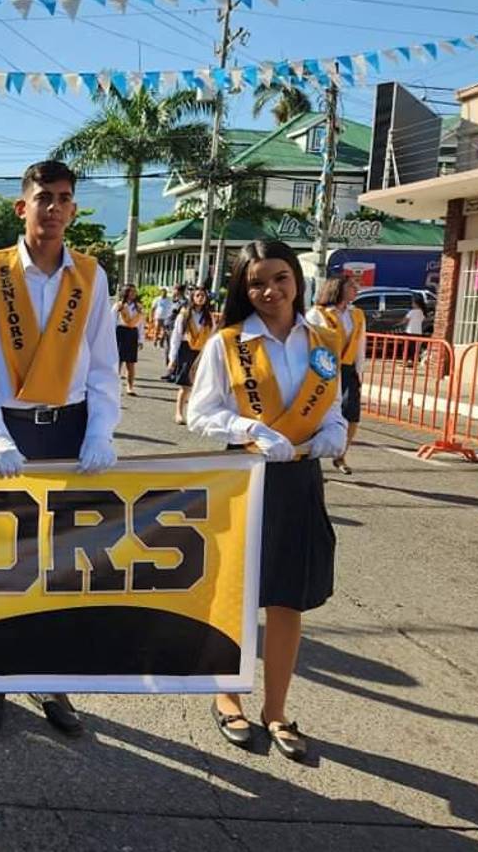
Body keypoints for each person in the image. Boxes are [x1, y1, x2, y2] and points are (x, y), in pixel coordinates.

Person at [0, 159, 120, 740]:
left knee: (60, 565)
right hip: (9, 433)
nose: (53, 208)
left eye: (64, 198)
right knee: (1, 562)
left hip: (69, 431)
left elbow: (103, 366)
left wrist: (100, 432)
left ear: (74, 209)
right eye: (43, 197)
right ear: (21, 207)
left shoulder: (92, 276)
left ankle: (51, 676)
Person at [187, 240, 345, 764]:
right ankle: (226, 695)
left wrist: (333, 436)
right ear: (243, 289)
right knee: (235, 596)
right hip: (245, 477)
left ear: (296, 278)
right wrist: (246, 426)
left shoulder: (322, 341)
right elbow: (201, 413)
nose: (270, 291)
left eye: (280, 278)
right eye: (257, 283)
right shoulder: (228, 344)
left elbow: (335, 411)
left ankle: (276, 711)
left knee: (288, 598)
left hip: (301, 481)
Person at [308, 274, 366, 474]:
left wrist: (359, 372)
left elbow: (360, 345)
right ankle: (309, 454)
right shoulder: (318, 314)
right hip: (324, 369)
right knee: (318, 413)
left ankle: (340, 454)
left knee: (352, 414)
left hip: (348, 369)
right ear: (338, 288)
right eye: (351, 286)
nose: (356, 289)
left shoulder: (357, 314)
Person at [167, 285, 213, 424]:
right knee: (185, 384)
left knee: (199, 384)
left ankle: (194, 414)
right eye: (197, 295)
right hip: (186, 349)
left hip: (202, 351)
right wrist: (172, 358)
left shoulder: (209, 316)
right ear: (192, 297)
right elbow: (176, 336)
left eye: (203, 296)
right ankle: (179, 413)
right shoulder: (185, 314)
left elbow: (213, 335)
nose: (200, 298)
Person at [114, 283, 144, 396]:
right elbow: (112, 321)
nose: (133, 293)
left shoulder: (139, 307)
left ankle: (130, 387)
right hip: (120, 333)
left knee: (130, 363)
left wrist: (141, 340)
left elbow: (141, 324)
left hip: (132, 334)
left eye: (134, 291)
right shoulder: (119, 306)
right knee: (118, 362)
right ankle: (115, 385)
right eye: (130, 291)